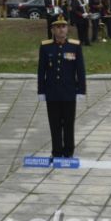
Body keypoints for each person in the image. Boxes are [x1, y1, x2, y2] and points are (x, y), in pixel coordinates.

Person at [37, 16, 86, 158]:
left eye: (63, 26)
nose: (61, 30)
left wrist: (81, 90)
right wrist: (41, 90)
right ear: (52, 30)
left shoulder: (74, 46)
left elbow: (80, 70)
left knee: (69, 124)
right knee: (54, 124)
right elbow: (41, 70)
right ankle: (57, 152)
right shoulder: (46, 46)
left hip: (69, 92)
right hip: (52, 92)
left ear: (67, 29)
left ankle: (69, 151)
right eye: (57, 27)